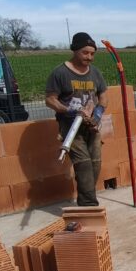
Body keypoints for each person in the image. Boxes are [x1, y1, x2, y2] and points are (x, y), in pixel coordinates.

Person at [45, 33, 109, 206]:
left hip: (91, 125)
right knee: (84, 165)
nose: (89, 57)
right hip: (70, 126)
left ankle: (85, 197)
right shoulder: (60, 73)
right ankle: (89, 205)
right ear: (75, 50)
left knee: (95, 164)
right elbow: (50, 99)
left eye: (92, 53)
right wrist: (70, 110)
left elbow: (103, 95)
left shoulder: (95, 73)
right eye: (85, 53)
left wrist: (97, 113)